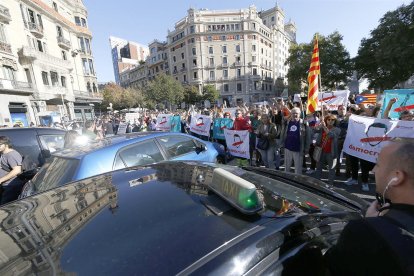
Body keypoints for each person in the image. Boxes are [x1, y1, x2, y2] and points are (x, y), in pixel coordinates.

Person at [325, 138, 414, 275]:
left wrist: (371, 226)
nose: (373, 170)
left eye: (377, 164)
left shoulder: (363, 232)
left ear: (396, 177)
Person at [280, 107, 311, 175]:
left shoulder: (304, 123)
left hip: (299, 149)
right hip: (288, 147)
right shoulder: (287, 122)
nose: (295, 115)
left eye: (296, 113)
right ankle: (287, 182)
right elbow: (282, 134)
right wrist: (281, 145)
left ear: (299, 114)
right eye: (293, 113)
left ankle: (297, 182)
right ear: (291, 114)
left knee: (298, 169)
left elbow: (308, 137)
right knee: (287, 168)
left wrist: (306, 148)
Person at [314, 114, 340, 185]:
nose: (330, 121)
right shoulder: (322, 128)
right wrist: (320, 123)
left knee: (331, 169)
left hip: (331, 152)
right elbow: (315, 130)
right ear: (326, 120)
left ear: (335, 121)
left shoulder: (337, 129)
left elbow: (331, 135)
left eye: (332, 120)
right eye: (329, 119)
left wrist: (324, 127)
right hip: (321, 150)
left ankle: (330, 184)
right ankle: (317, 183)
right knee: (318, 167)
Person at [0, 136, 24, 205]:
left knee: (5, 207)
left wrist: (1, 180)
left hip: (11, 186)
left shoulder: (12, 155)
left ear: (6, 144)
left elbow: (17, 170)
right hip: (5, 185)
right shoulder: (3, 153)